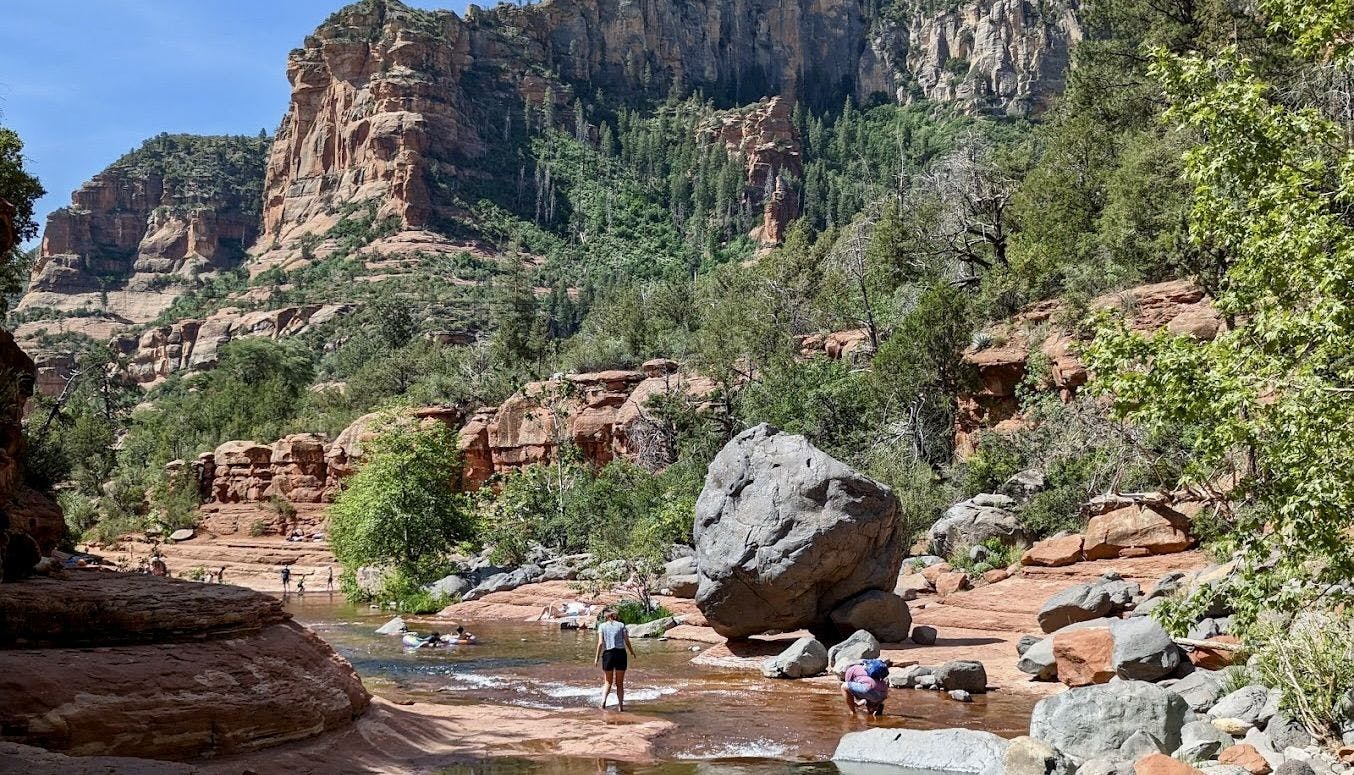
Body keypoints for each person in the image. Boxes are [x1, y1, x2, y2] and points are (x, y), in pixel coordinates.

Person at [594, 609, 636, 711]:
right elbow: (626, 640)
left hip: (608, 654)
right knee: (620, 683)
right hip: (620, 654)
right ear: (614, 616)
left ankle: (603, 702)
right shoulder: (621, 625)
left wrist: (597, 657)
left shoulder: (602, 626)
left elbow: (600, 643)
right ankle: (620, 707)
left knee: (608, 681)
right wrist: (631, 651)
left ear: (606, 617)